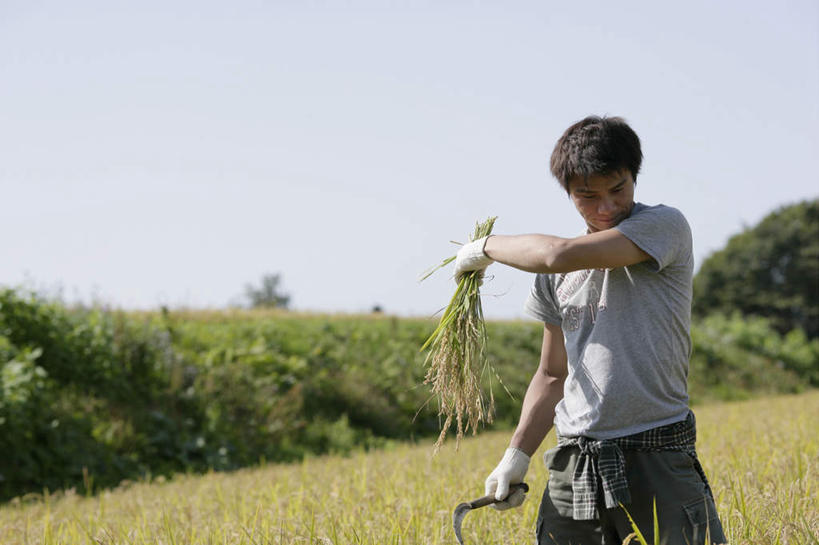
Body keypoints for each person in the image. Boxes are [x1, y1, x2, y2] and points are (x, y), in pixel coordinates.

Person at [453, 116, 727, 545]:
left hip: (656, 452)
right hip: (574, 461)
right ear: (569, 193)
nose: (605, 207)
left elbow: (557, 253)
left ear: (634, 178)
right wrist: (516, 456)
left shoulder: (663, 227)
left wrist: (484, 248)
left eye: (618, 189)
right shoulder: (555, 279)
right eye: (587, 196)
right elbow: (552, 375)